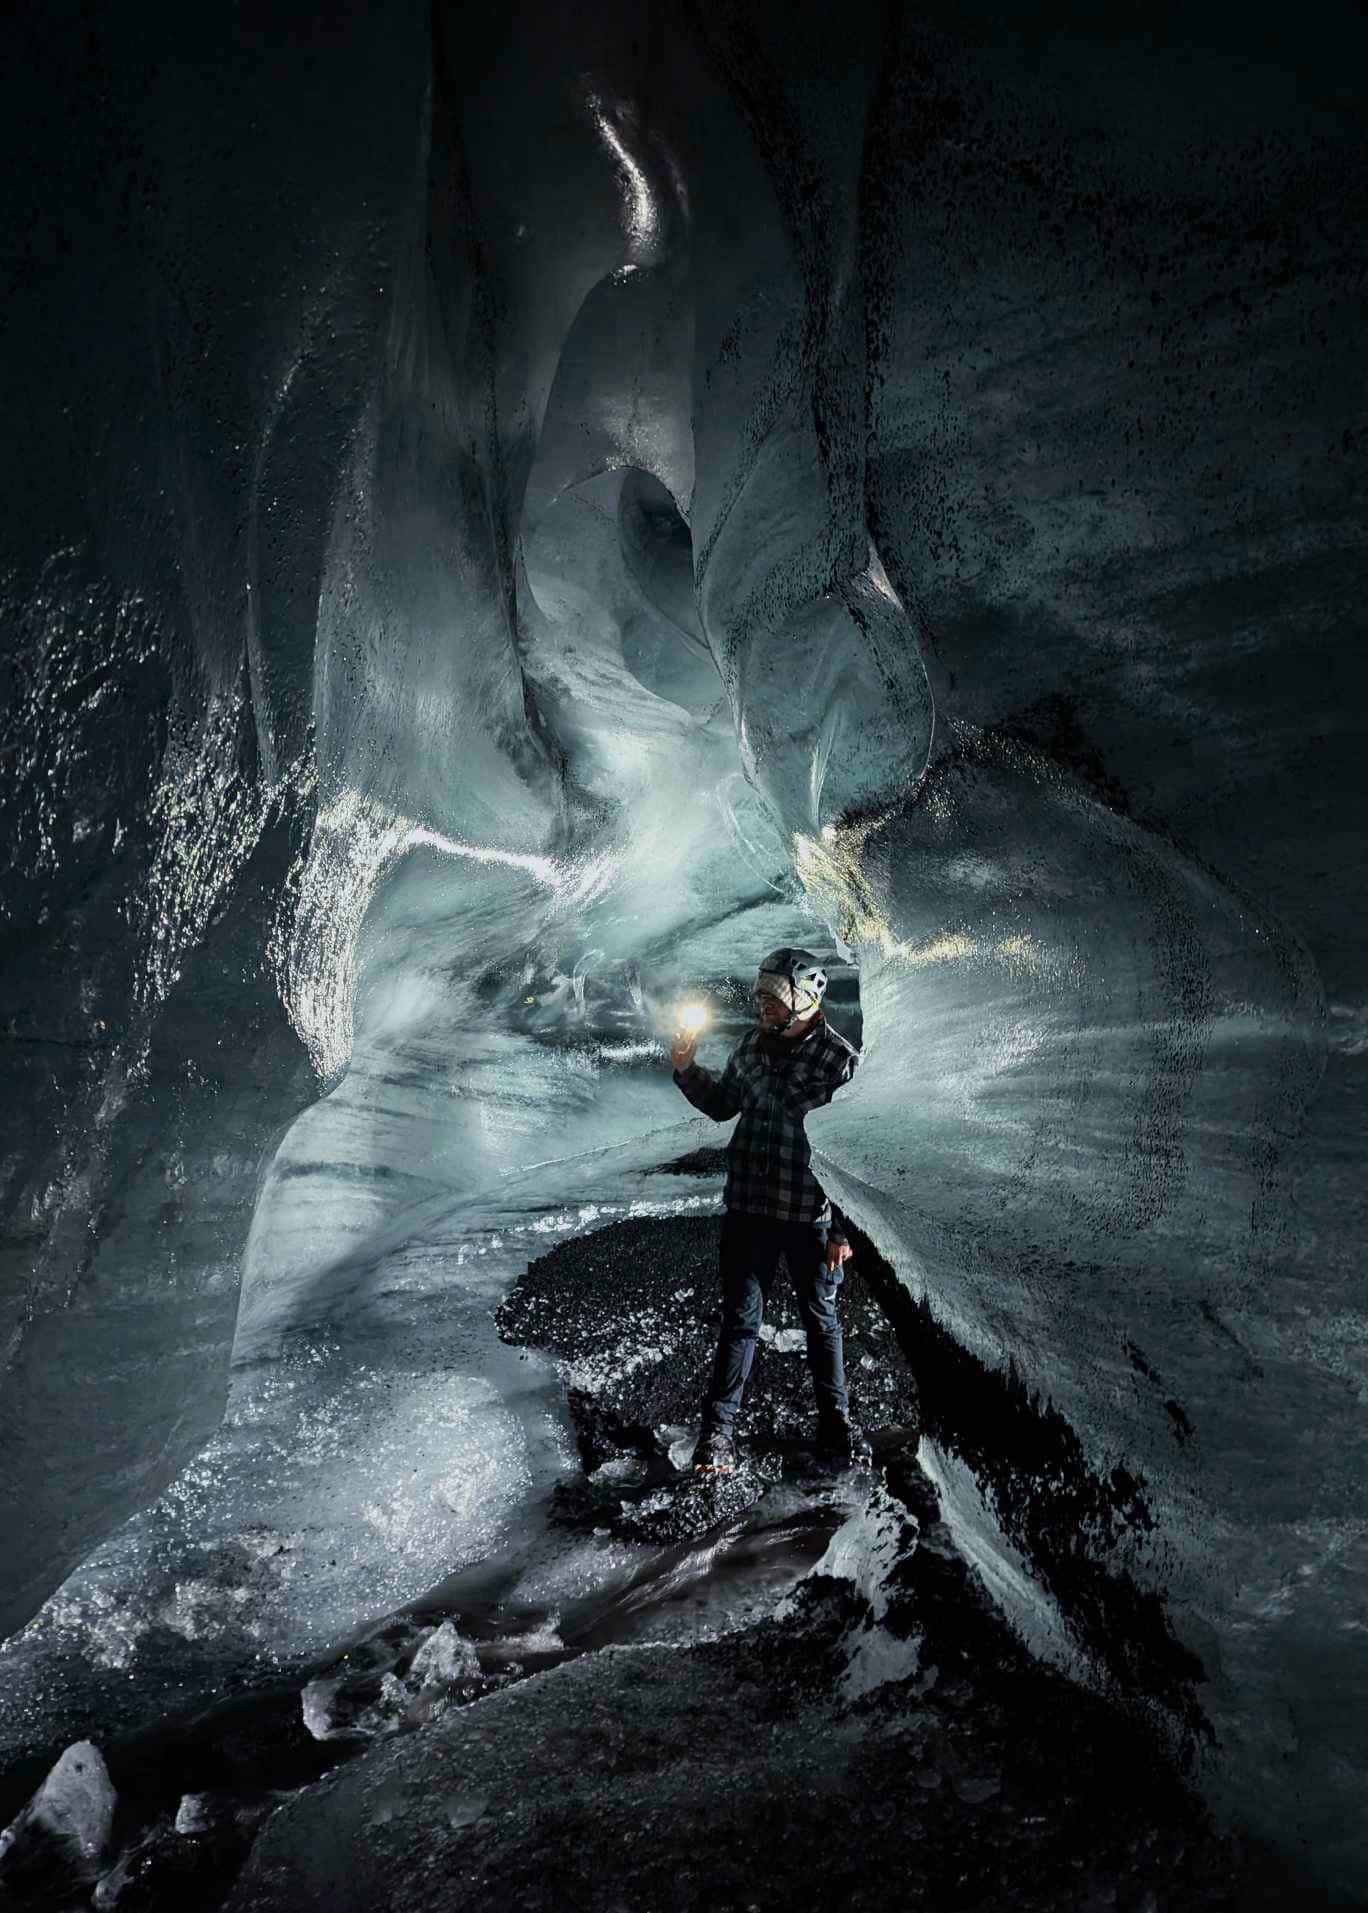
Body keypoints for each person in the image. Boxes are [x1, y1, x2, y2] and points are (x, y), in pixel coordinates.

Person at [669, 948, 871, 1474]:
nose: (763, 1005)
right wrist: (687, 1069)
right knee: (739, 1320)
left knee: (821, 1321)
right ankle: (717, 1437)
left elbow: (852, 1149)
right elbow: (723, 1106)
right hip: (748, 1209)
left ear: (805, 999)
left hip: (809, 1215)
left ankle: (836, 1428)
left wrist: (842, 1232)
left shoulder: (838, 1060)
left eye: (774, 998)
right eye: (761, 996)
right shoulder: (749, 1048)